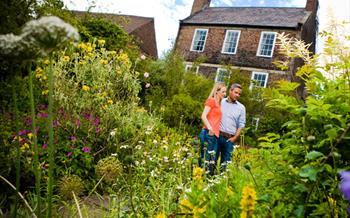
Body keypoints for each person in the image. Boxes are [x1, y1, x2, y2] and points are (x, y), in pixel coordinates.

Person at [217, 83, 246, 171]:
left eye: (239, 94)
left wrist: (235, 138)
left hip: (229, 139)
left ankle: (222, 181)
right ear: (230, 91)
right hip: (217, 136)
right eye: (236, 92)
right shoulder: (221, 102)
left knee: (225, 164)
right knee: (212, 160)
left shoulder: (241, 108)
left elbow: (241, 124)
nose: (237, 95)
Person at [200, 83, 227, 175]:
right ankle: (198, 178)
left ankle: (206, 181)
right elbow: (203, 116)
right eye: (223, 91)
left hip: (215, 135)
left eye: (225, 92)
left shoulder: (219, 104)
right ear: (217, 91)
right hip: (208, 133)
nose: (225, 94)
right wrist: (210, 128)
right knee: (205, 159)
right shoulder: (211, 101)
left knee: (211, 160)